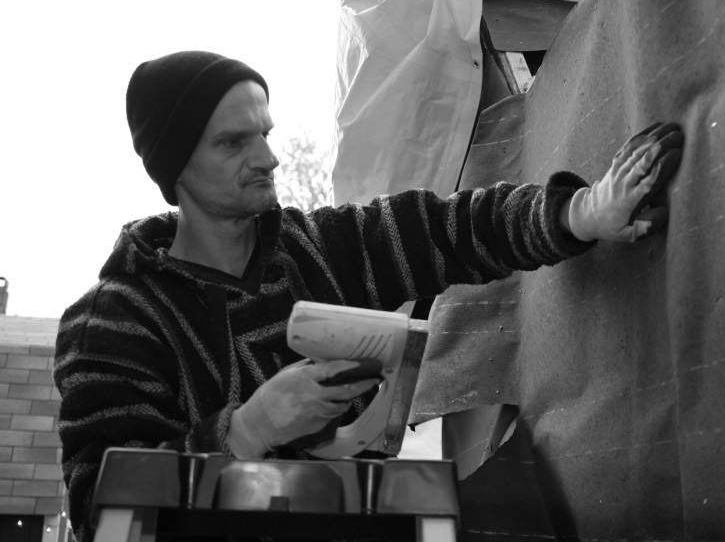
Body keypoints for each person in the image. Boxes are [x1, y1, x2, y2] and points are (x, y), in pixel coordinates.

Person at [53, 50, 684, 541]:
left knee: (471, 469)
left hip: (359, 516)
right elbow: (101, 508)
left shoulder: (315, 247)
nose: (268, 156)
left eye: (264, 132)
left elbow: (449, 227)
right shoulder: (113, 320)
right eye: (232, 142)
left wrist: (578, 213)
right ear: (175, 166)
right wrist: (247, 429)